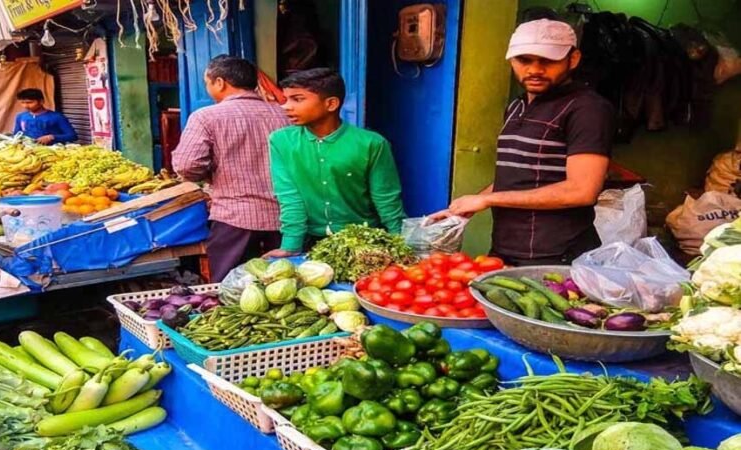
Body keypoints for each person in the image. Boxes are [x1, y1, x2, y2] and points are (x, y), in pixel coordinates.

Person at [431, 19, 615, 266]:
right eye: (524, 60)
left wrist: (488, 200)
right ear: (511, 60)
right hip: (507, 248)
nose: (534, 70)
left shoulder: (587, 109)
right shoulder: (517, 106)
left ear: (573, 59)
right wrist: (469, 205)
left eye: (548, 60)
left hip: (557, 256)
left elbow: (582, 190)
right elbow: (517, 176)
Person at [264, 68, 407, 258]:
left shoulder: (371, 143)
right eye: (286, 99)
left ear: (331, 104)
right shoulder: (281, 141)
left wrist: (401, 244)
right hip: (311, 241)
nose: (286, 106)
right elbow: (289, 197)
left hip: (364, 241)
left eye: (297, 99)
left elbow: (387, 199)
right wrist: (291, 246)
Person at [172, 55, 290, 282]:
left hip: (235, 218)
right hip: (286, 219)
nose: (207, 88)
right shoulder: (285, 114)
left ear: (220, 83)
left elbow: (187, 165)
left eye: (207, 82)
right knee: (283, 288)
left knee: (232, 290)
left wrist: (210, 175)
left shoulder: (206, 117)